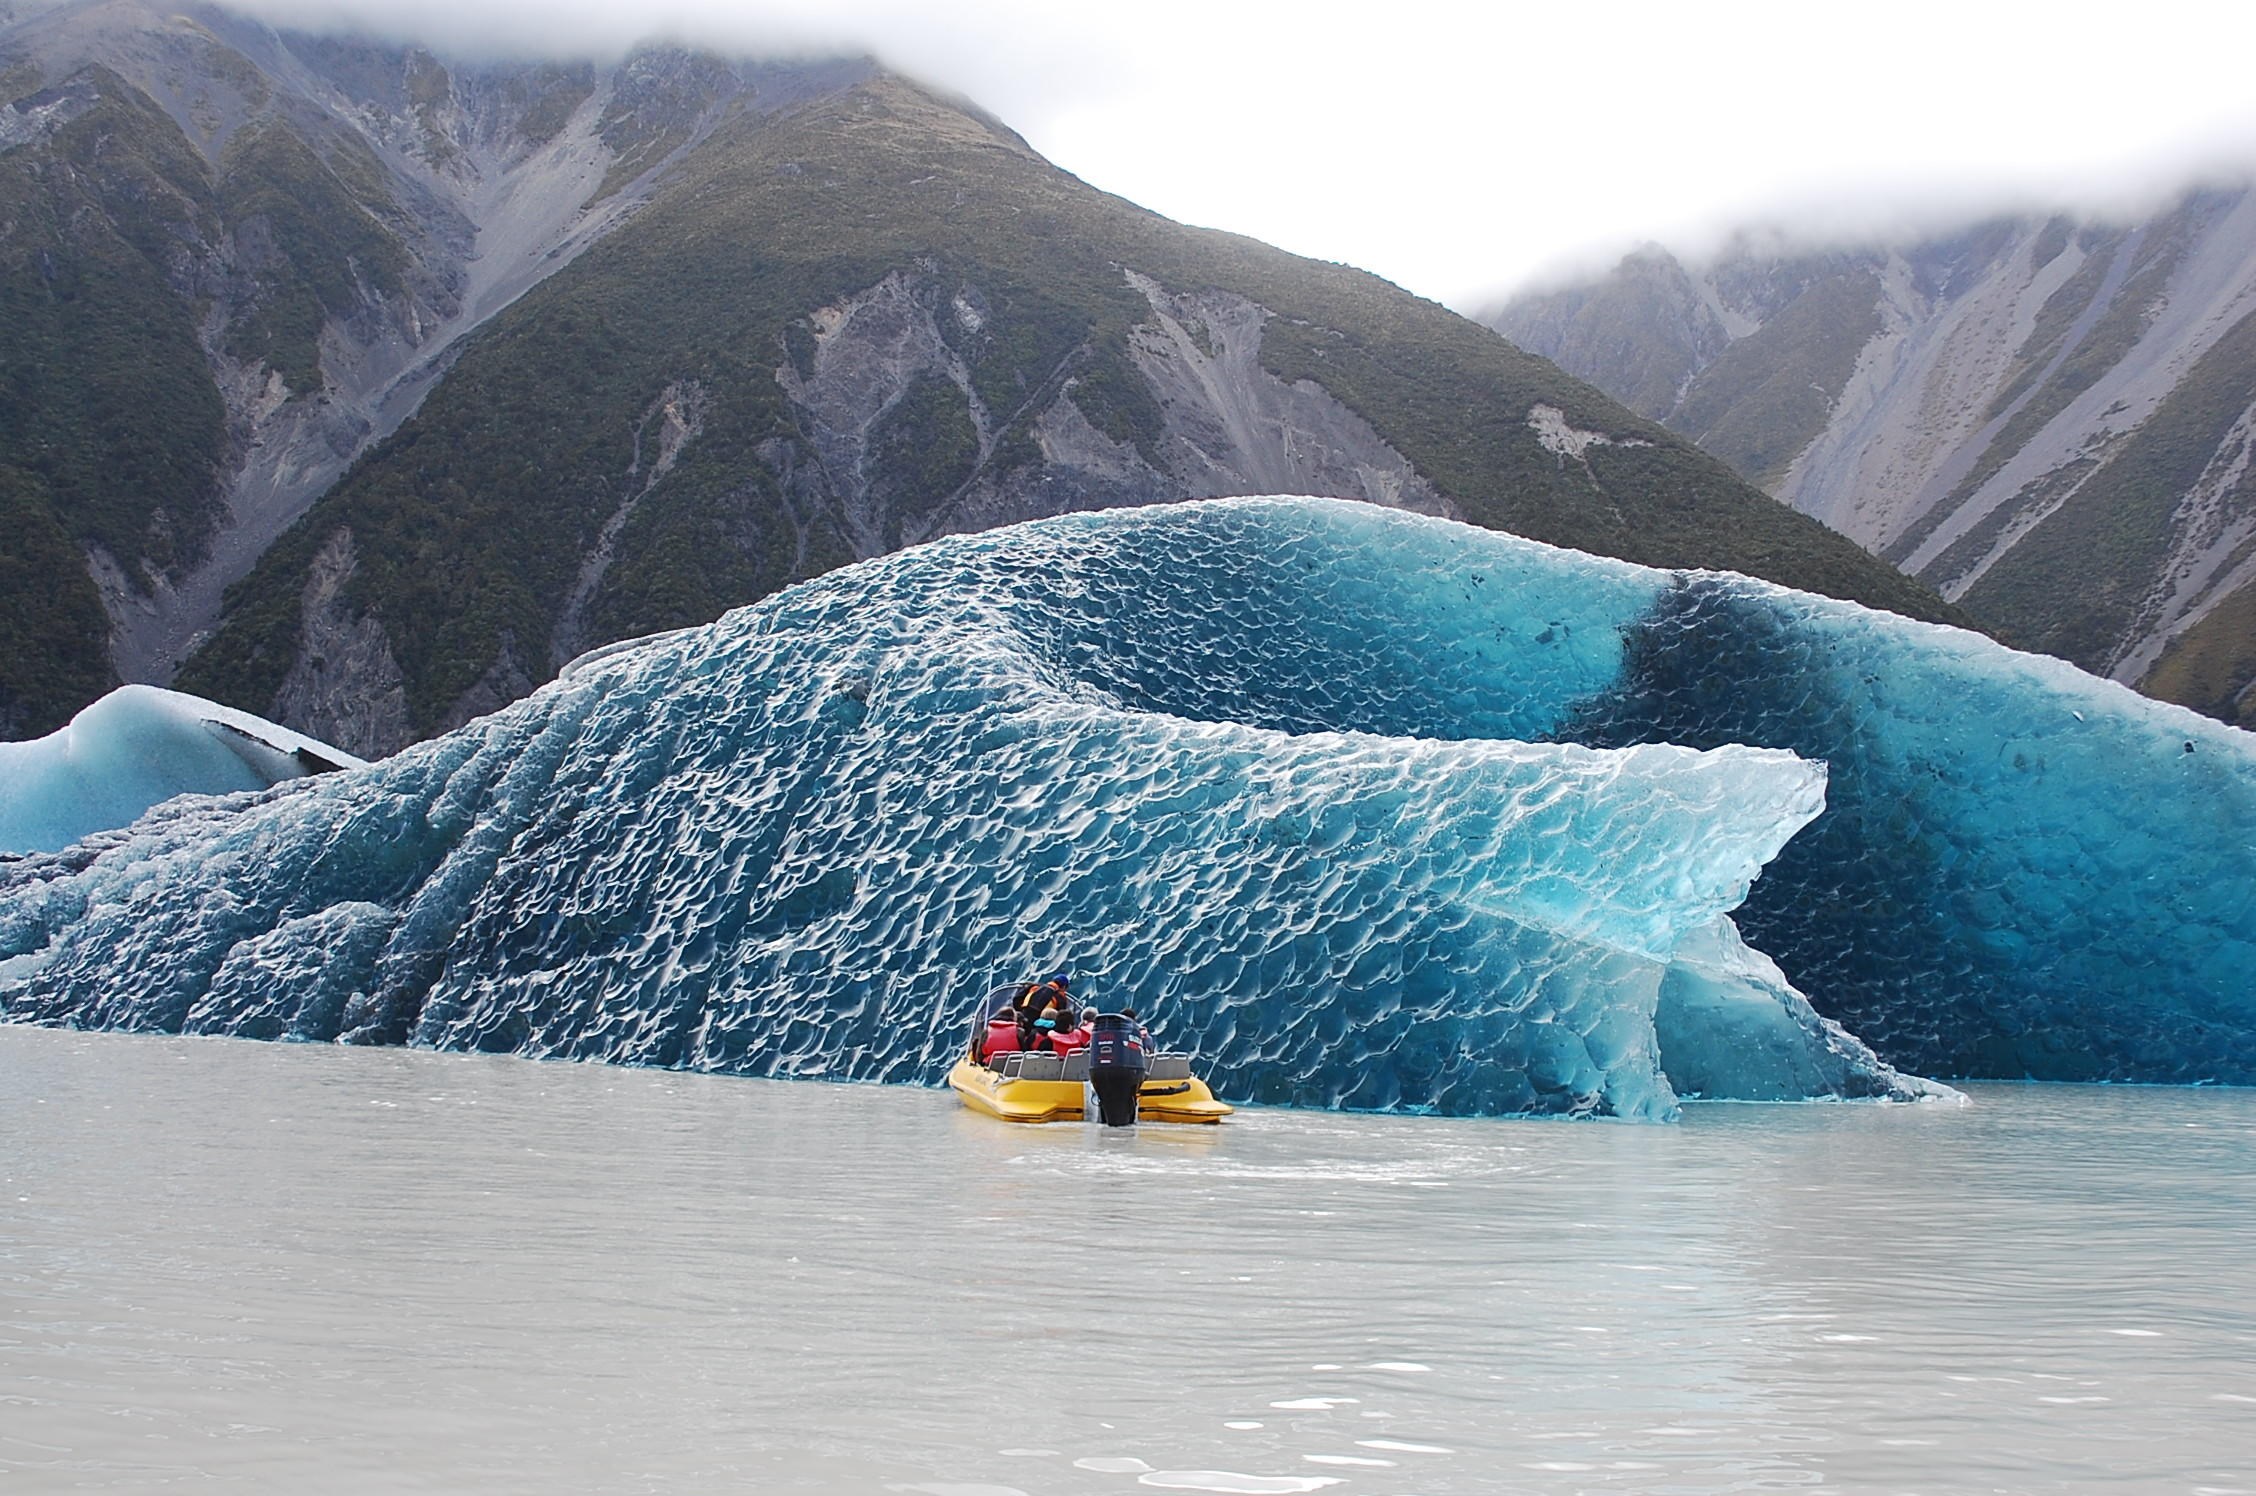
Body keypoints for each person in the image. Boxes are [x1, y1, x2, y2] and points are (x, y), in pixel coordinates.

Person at [1012, 971, 1073, 1049]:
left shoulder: (1033, 987)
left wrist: (1020, 1011)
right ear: (1064, 987)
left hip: (1024, 1018)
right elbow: (1061, 1016)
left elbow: (1017, 999)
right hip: (1039, 1025)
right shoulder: (1059, 997)